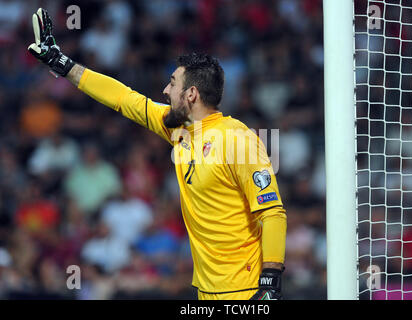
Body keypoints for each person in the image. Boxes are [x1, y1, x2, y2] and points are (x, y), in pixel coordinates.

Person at [28, 8, 287, 300]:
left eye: (173, 83)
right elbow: (124, 98)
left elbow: (272, 212)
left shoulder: (238, 140)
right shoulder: (178, 128)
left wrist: (270, 282)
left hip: (247, 291)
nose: (165, 90)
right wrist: (63, 64)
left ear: (191, 94)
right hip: (206, 291)